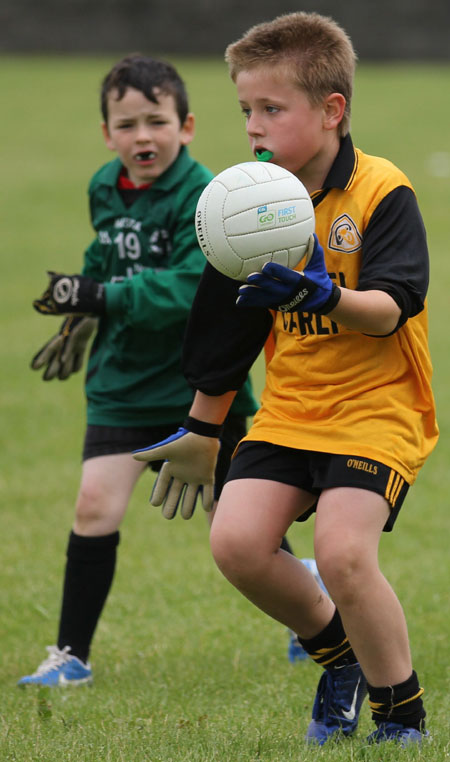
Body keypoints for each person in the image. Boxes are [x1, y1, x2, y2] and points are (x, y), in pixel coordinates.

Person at [133, 13, 439, 748]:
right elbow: (223, 332)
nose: (252, 127)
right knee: (236, 544)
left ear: (332, 111)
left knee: (341, 552)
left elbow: (393, 307)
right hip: (295, 410)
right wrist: (205, 431)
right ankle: (342, 659)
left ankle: (403, 716)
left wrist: (322, 294)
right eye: (246, 110)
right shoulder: (244, 202)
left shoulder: (381, 192)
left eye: (271, 108)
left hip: (378, 409)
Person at [19, 53, 263, 687]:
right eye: (126, 125)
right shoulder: (105, 185)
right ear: (107, 133)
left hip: (198, 386)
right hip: (121, 381)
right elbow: (105, 255)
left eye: (156, 121)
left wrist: (105, 298)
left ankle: (310, 607)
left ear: (186, 126)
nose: (142, 137)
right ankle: (71, 656)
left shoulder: (209, 196)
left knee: (235, 524)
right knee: (94, 504)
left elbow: (191, 288)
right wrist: (82, 307)